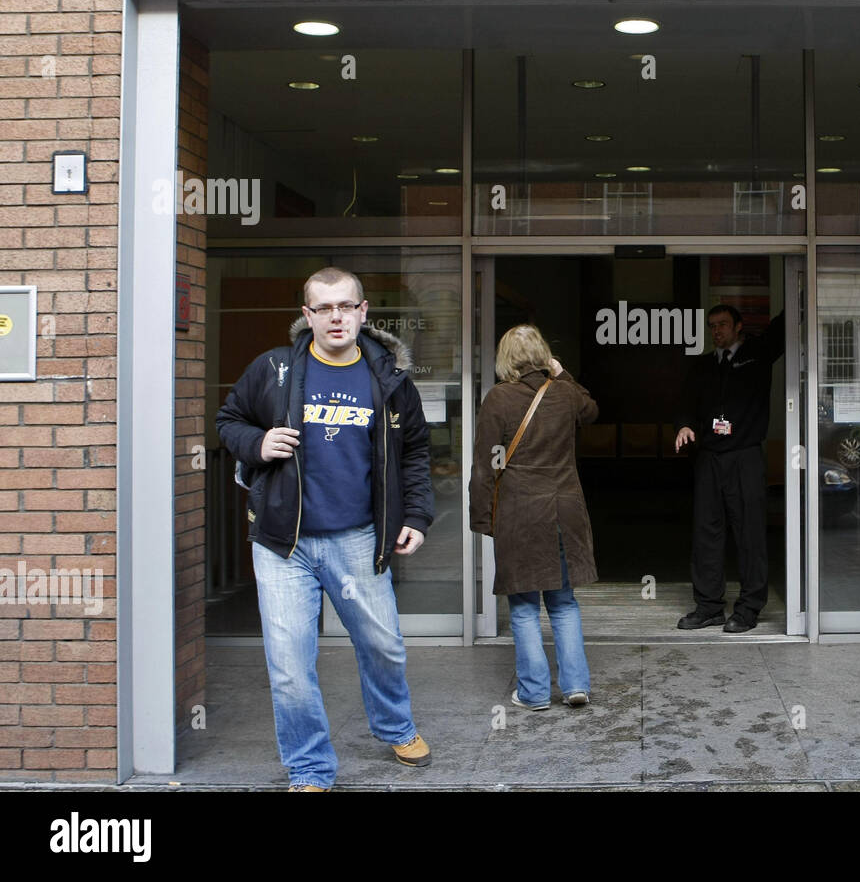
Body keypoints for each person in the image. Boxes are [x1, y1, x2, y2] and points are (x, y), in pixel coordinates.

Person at [215, 266, 435, 791]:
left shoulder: (390, 379)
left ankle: (395, 725)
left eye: (346, 306)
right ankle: (310, 767)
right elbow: (229, 420)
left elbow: (416, 452)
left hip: (358, 538)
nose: (336, 317)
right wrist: (257, 444)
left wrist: (417, 516)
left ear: (362, 312)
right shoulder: (274, 370)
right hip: (282, 545)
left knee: (383, 646)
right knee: (291, 665)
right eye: (324, 307)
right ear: (308, 315)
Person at [469, 325, 599, 710]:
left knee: (524, 605)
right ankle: (576, 686)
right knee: (563, 601)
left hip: (519, 512)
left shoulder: (499, 398)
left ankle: (535, 692)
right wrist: (561, 374)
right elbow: (591, 410)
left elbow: (485, 464)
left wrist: (482, 519)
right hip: (562, 511)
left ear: (505, 358)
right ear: (545, 355)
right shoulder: (564, 394)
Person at [674, 305, 785, 633]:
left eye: (722, 324)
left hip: (745, 456)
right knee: (706, 532)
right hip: (709, 458)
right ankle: (708, 607)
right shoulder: (703, 366)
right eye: (712, 326)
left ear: (739, 326)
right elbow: (685, 404)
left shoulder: (758, 355)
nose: (717, 331)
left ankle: (749, 608)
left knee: (749, 532)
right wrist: (683, 425)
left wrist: (803, 288)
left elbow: (780, 329)